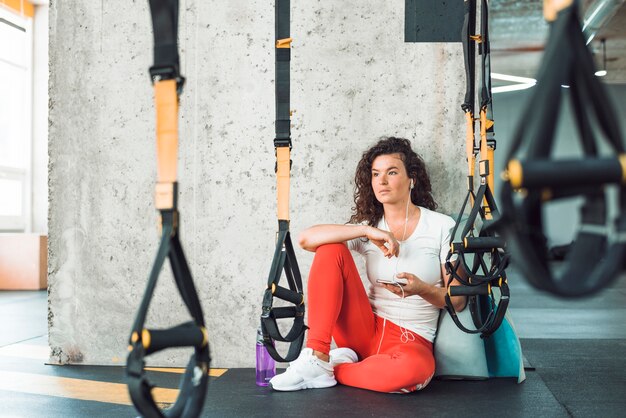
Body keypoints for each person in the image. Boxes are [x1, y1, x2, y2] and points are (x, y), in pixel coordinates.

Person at [269, 137, 467, 393]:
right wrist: (365, 231)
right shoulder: (369, 227)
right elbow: (306, 239)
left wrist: (421, 289)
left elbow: (459, 300)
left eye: (392, 172)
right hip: (362, 331)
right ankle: (317, 354)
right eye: (375, 174)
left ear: (412, 179)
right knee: (331, 248)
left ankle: (332, 368)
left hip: (410, 339)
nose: (382, 181)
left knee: (410, 373)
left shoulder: (441, 226)